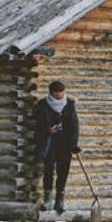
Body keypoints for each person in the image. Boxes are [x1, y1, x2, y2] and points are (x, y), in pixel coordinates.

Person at [32, 79, 80, 214]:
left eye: (61, 92)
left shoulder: (69, 104)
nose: (59, 94)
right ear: (51, 93)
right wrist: (47, 130)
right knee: (48, 171)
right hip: (49, 143)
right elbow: (36, 123)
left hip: (64, 144)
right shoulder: (42, 105)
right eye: (56, 92)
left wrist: (74, 144)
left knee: (63, 171)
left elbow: (74, 125)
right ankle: (47, 199)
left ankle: (60, 199)